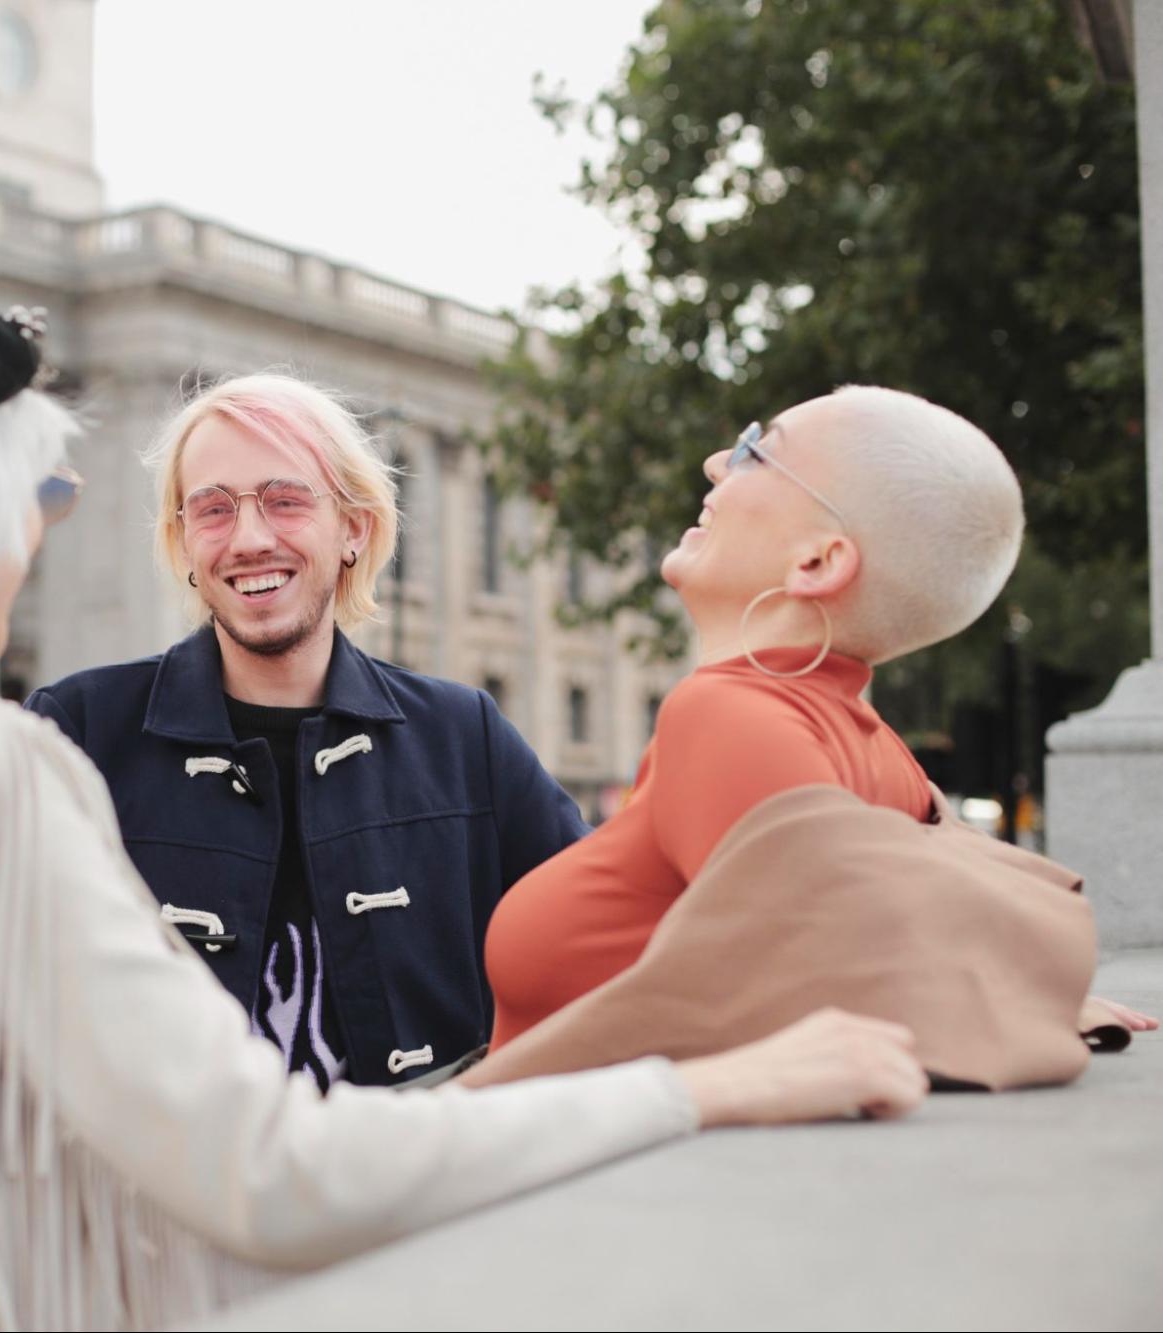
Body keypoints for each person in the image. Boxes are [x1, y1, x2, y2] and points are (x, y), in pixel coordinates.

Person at [0, 290, 930, 1333]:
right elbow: (260, 1166)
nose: (36, 533)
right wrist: (701, 1090)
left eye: (282, 500)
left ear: (350, 529)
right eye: (36, 493)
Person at [472, 386, 1158, 1060]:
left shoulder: (725, 715)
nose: (716, 462)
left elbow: (824, 967)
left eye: (754, 452)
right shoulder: (873, 743)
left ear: (816, 562)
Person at [27, 373, 585, 1090]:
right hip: (158, 1195)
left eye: (286, 501)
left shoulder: (462, 739)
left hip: (412, 1190)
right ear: (184, 541)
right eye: (213, 509)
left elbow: (592, 949)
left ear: (353, 527)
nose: (249, 539)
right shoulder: (79, 731)